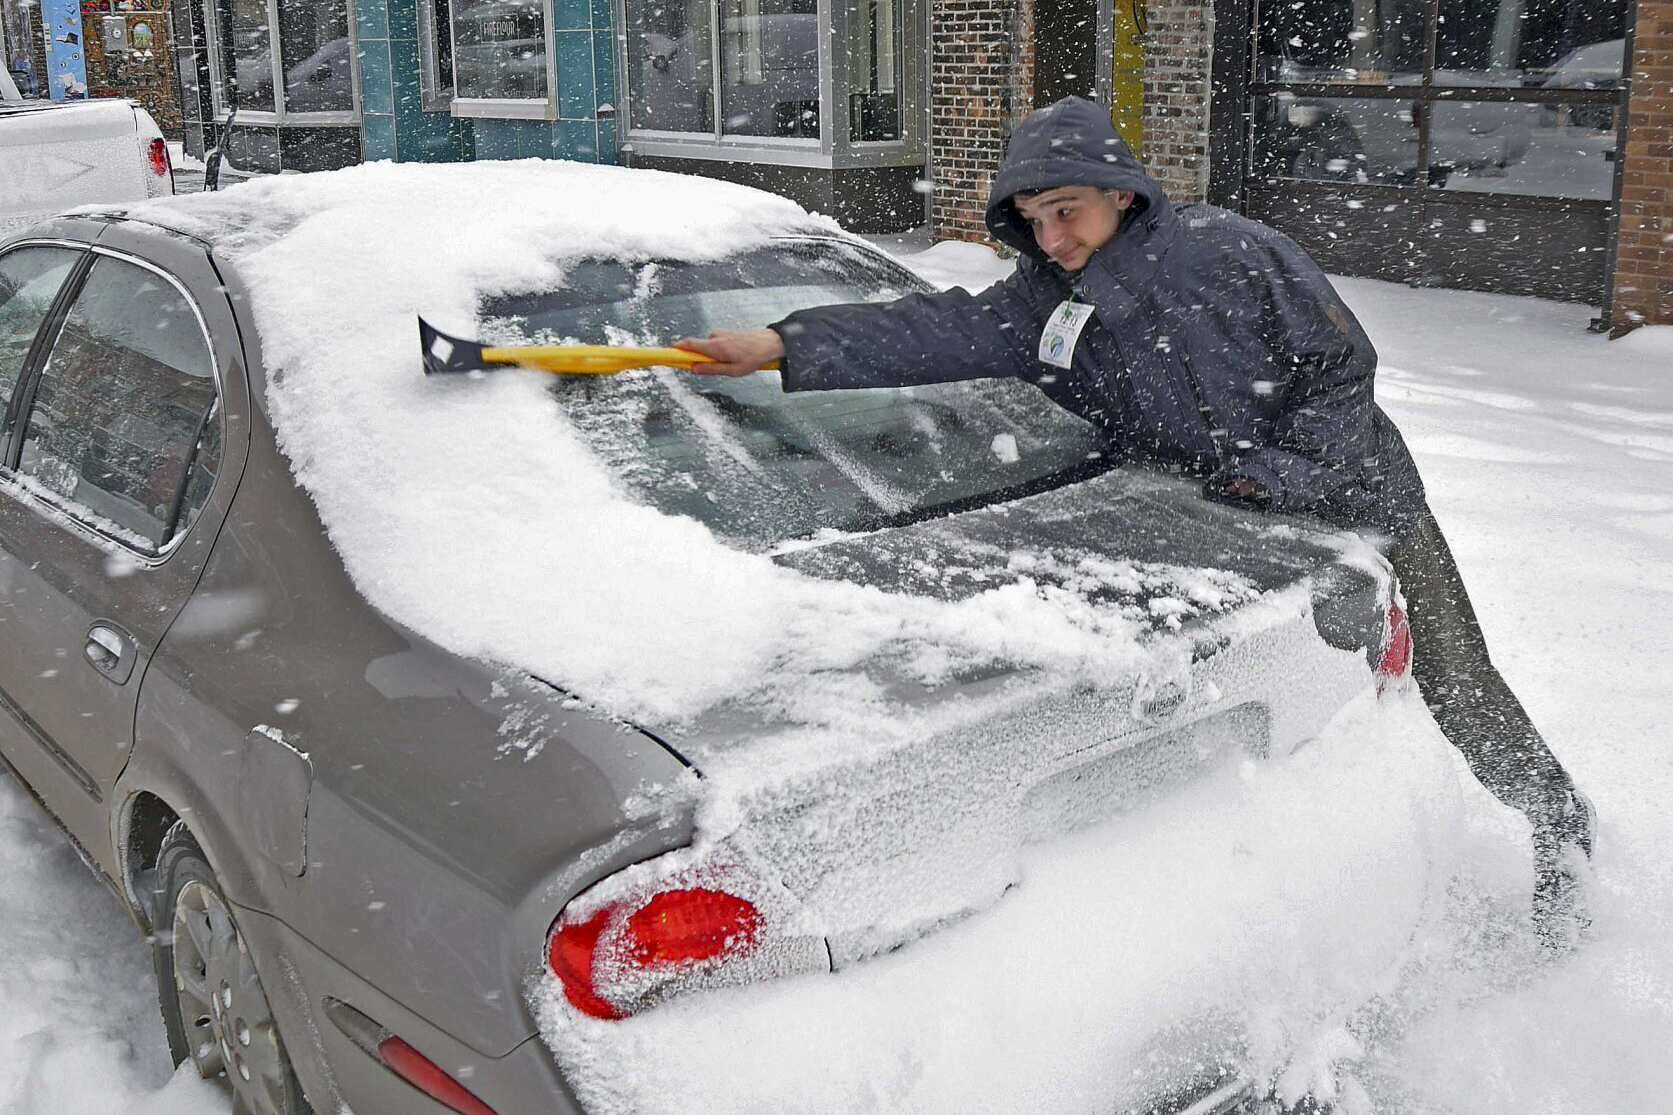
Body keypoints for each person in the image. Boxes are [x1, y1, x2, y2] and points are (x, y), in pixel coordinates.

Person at [674, 95, 1595, 949]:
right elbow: (933, 330)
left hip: (1353, 500)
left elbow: (1339, 365)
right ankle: (1329, 869)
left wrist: (1283, 475)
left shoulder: (1230, 252)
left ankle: (1559, 833)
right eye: (1032, 219)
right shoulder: (1047, 300)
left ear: (1121, 194)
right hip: (1224, 523)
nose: (1052, 235)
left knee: (1453, 681)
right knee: (1297, 706)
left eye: (1066, 210)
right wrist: (783, 342)